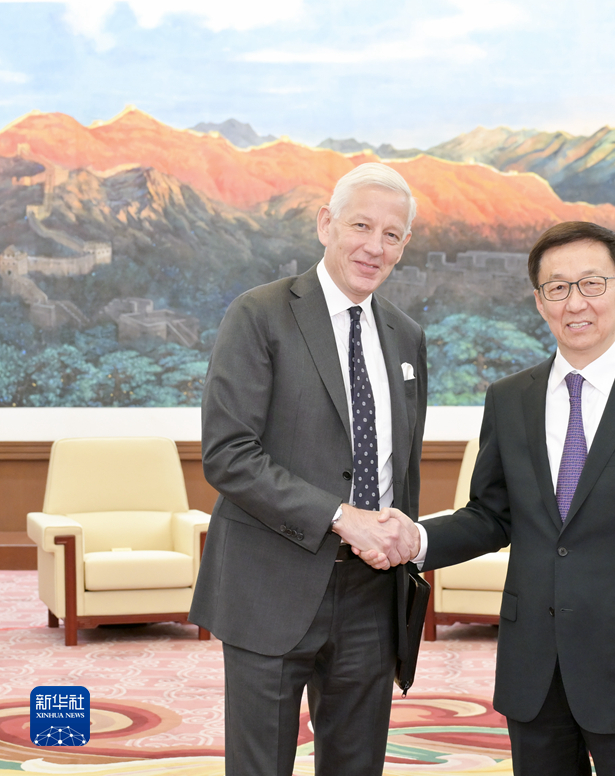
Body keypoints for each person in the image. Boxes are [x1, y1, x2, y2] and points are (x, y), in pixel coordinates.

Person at [368, 221, 615, 776]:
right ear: (539, 301)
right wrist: (417, 538)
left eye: (592, 284)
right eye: (557, 287)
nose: (575, 303)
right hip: (533, 670)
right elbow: (491, 515)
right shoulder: (509, 399)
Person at [189, 162, 426, 776]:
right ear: (326, 224)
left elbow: (402, 467)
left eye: (391, 235)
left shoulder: (407, 337)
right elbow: (228, 454)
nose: (374, 247)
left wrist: (401, 540)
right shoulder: (259, 314)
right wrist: (341, 518)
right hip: (271, 585)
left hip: (373, 597)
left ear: (404, 245)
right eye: (361, 226)